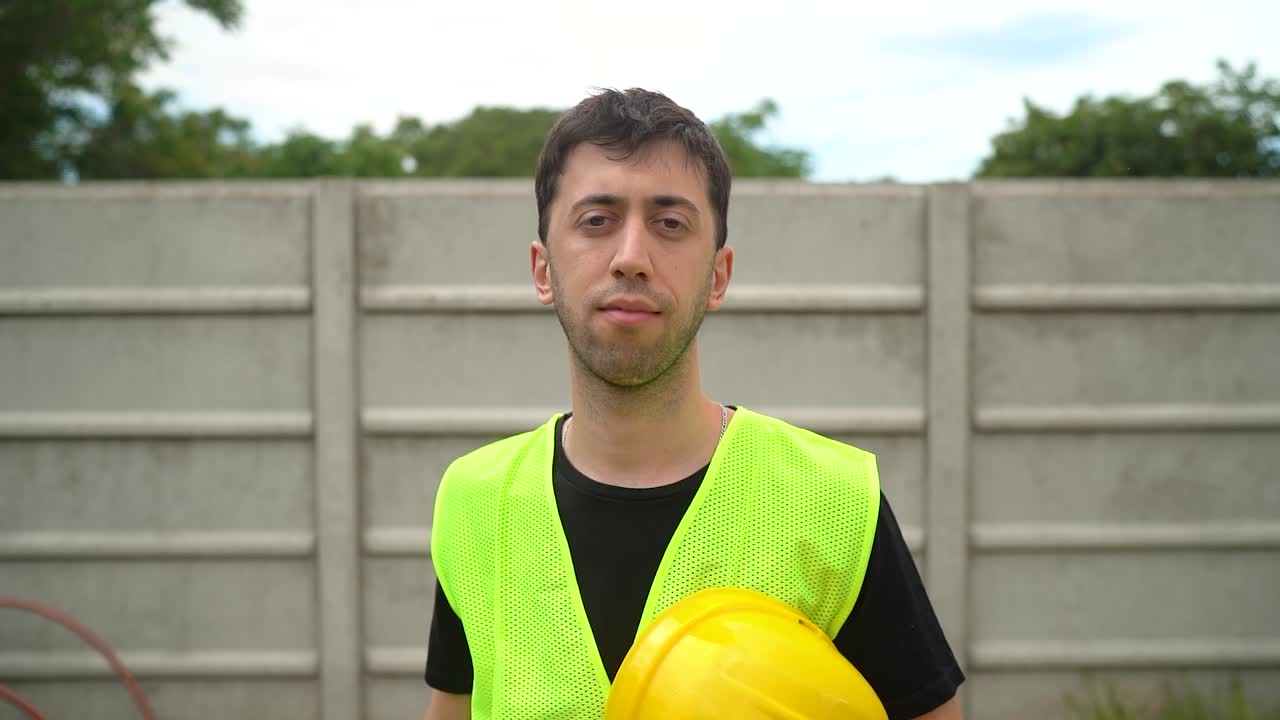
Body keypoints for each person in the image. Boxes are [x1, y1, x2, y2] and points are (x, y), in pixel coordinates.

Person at [422, 88, 965, 720]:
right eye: (596, 220)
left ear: (718, 275)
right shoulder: (473, 502)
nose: (631, 257)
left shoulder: (836, 502)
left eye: (669, 223)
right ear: (543, 269)